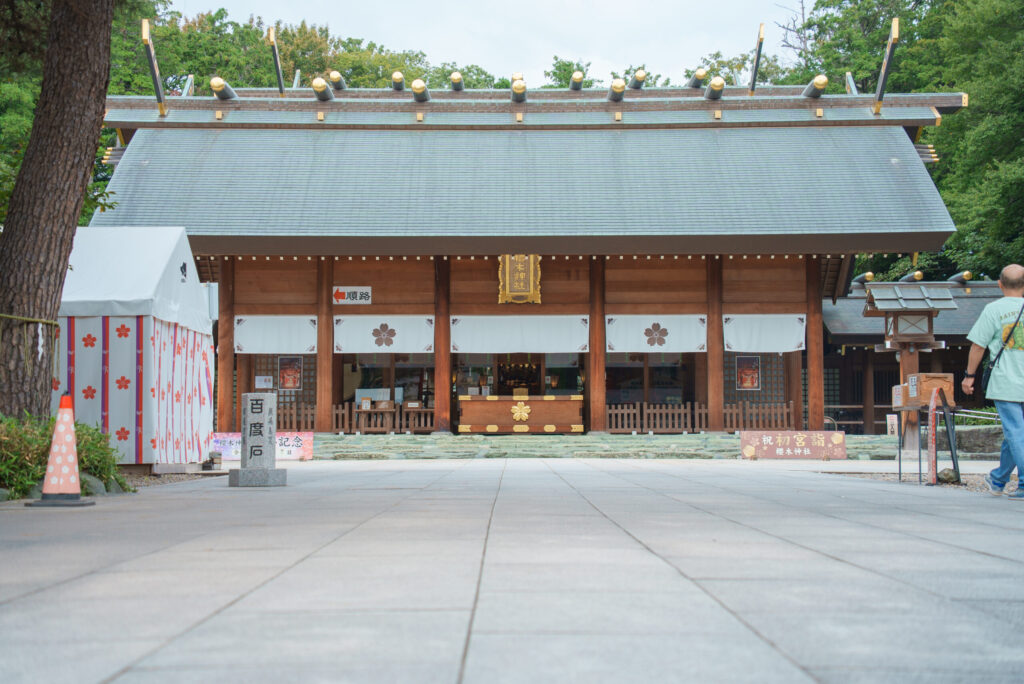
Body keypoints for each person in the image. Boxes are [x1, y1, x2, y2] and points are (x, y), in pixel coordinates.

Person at [962, 264, 1024, 498]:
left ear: (999, 284)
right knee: (1015, 434)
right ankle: (998, 479)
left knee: (1016, 432)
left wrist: (969, 376)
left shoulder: (993, 309)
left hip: (1006, 382)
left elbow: (979, 345)